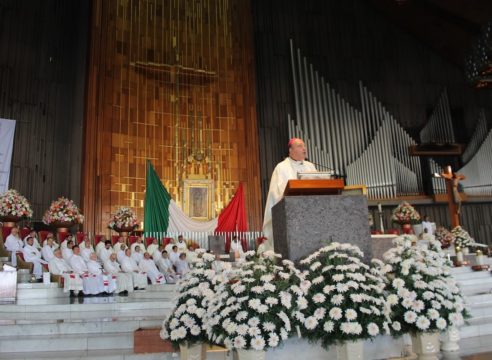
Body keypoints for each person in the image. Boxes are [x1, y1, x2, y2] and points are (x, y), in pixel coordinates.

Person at [262, 138, 316, 249]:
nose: (304, 149)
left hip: (311, 213)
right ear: (290, 150)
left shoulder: (310, 166)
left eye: (304, 146)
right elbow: (277, 193)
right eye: (300, 146)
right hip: (292, 215)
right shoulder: (281, 167)